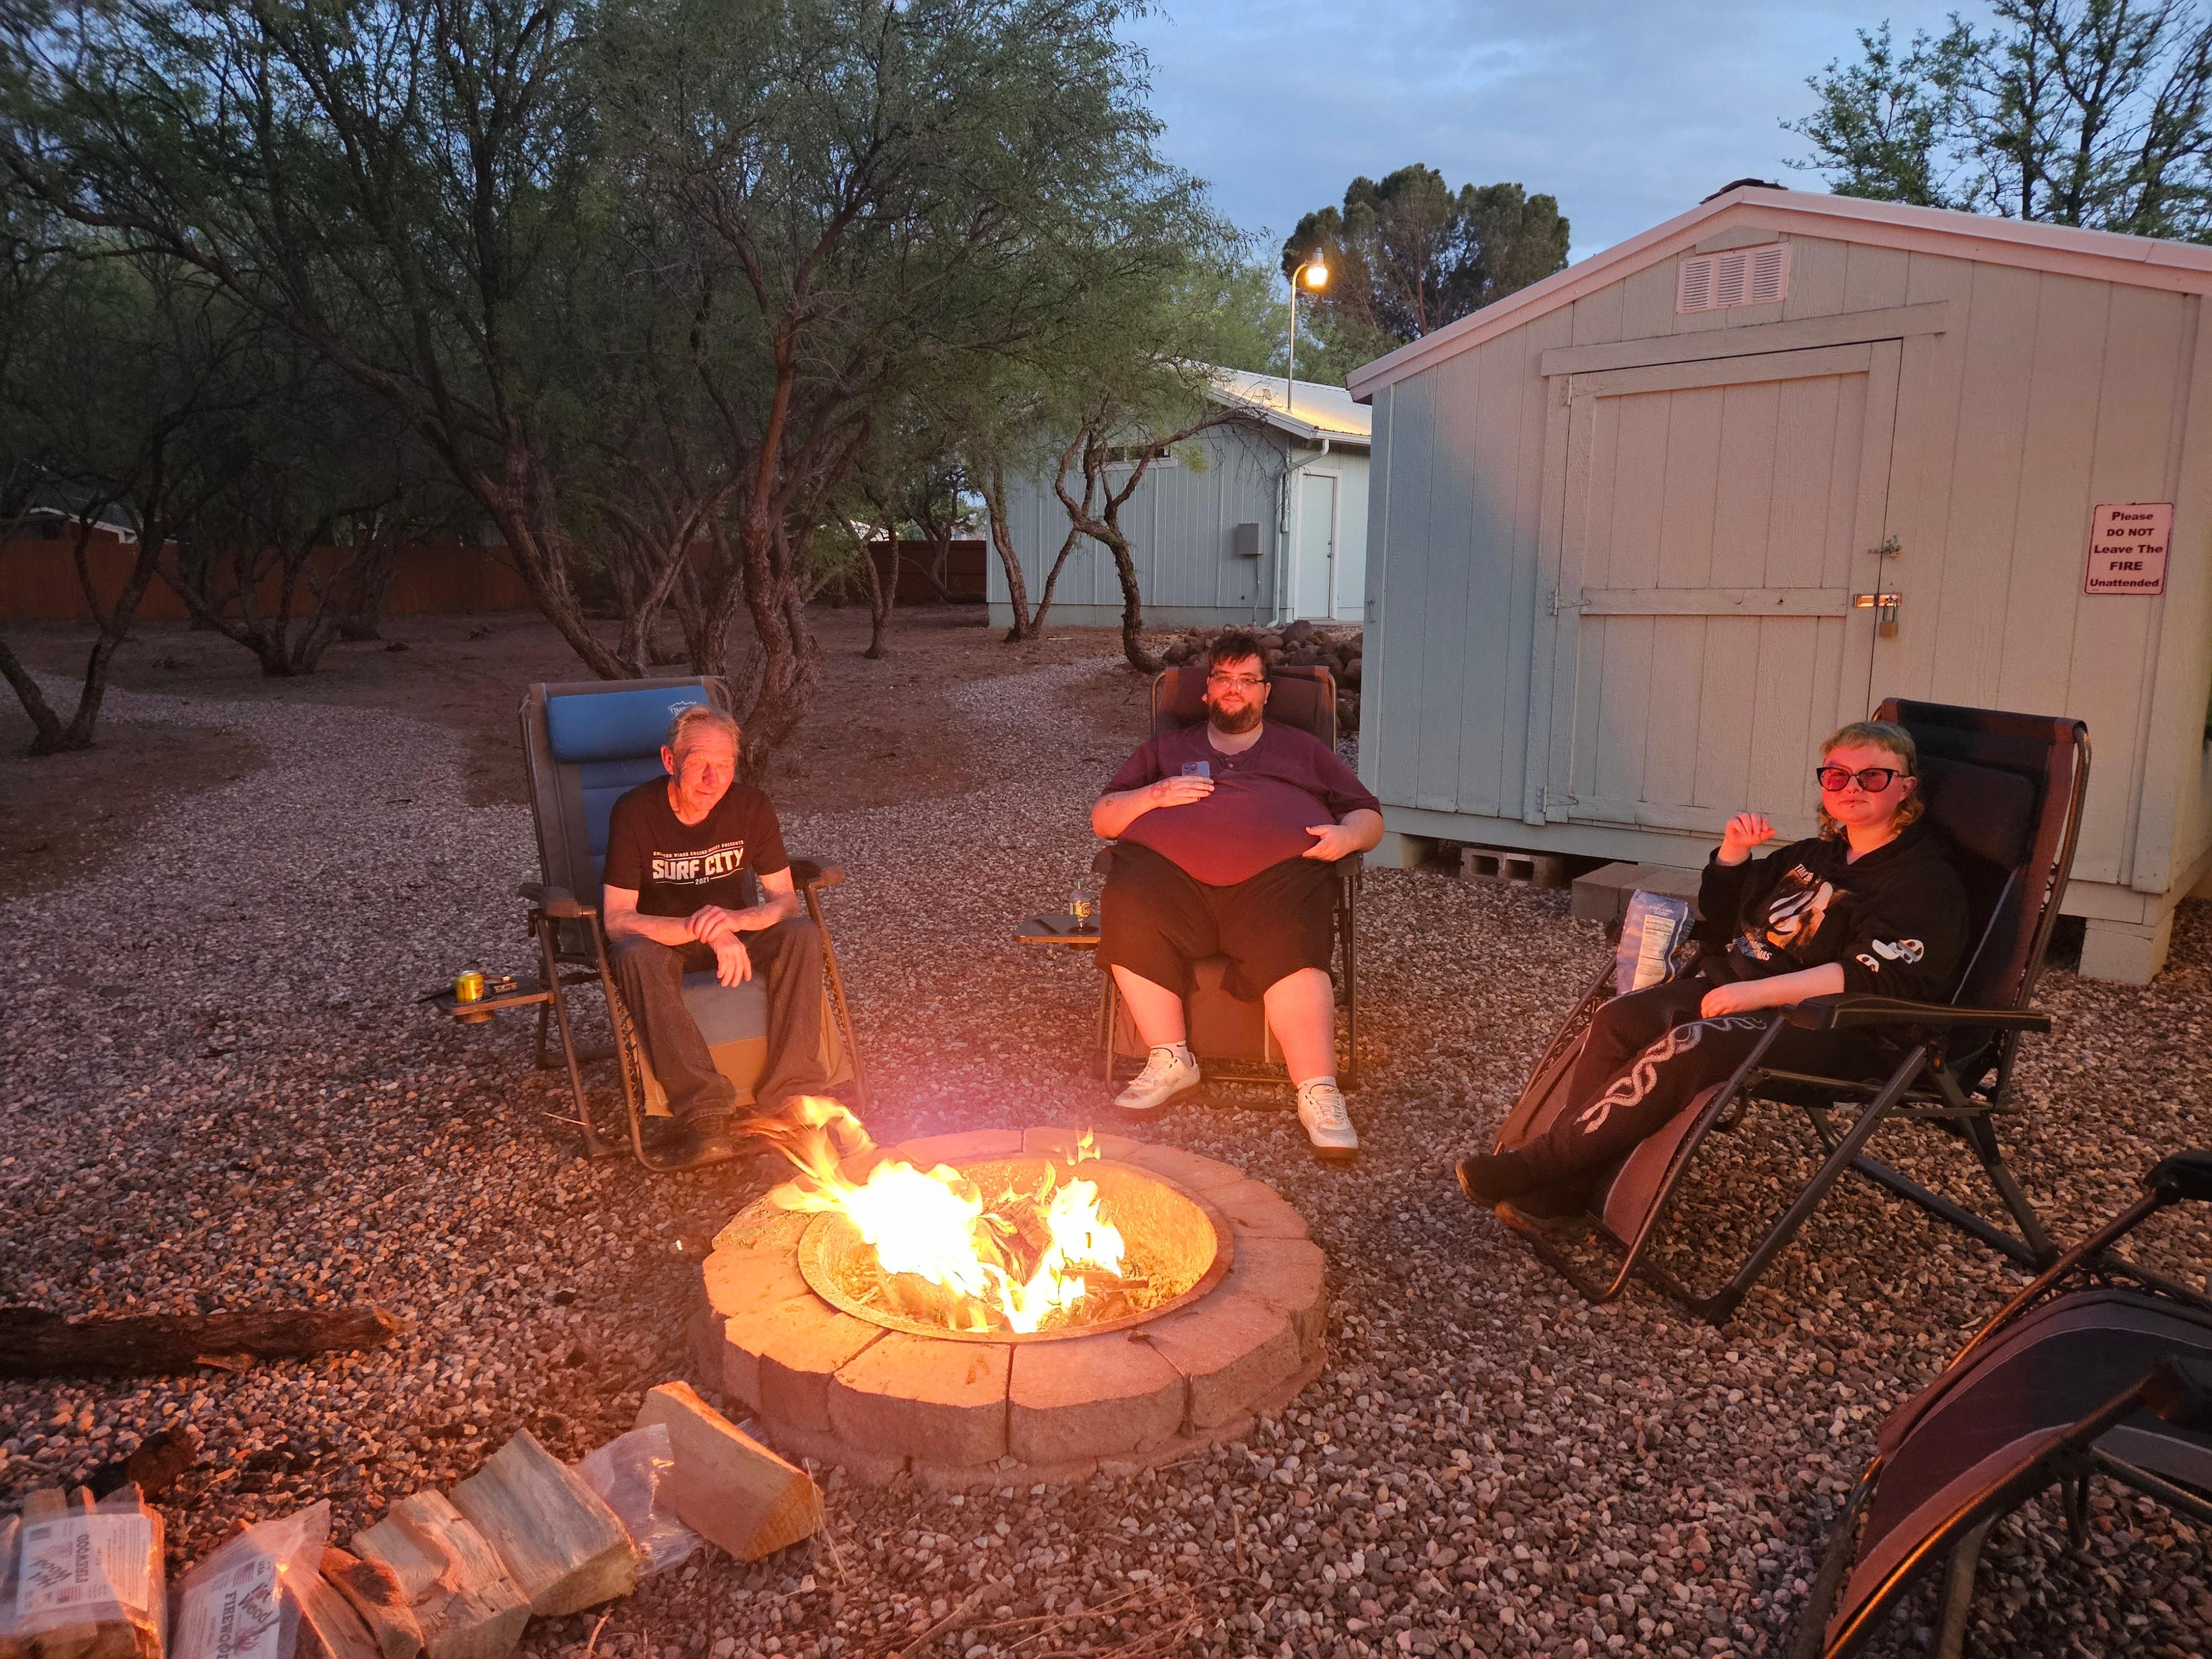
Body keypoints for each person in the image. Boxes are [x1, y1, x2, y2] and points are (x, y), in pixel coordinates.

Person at [1454, 719, 1970, 1228]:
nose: (1852, 787)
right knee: (1617, 1019)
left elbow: (1868, 977)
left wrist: (1754, 993)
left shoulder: (1923, 881)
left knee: (1691, 1045)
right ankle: (1570, 1187)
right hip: (1742, 989)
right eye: (1837, 775)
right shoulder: (1815, 855)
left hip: (1833, 1026)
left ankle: (1537, 1166)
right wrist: (1733, 853)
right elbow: (1724, 916)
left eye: (1873, 777)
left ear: (1906, 788)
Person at [1091, 630, 1384, 1161]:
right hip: (1171, 884)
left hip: (1276, 884)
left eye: (1247, 680)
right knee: (1126, 901)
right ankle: (1171, 1059)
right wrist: (1154, 794)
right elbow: (1103, 819)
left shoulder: (1303, 750)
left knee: (1293, 937)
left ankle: (1317, 1089)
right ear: (1205, 691)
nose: (1235, 689)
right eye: (1223, 678)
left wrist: (1347, 837)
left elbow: (1368, 815)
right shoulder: (1166, 750)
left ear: (1265, 692)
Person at [602, 704, 832, 1171]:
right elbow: (617, 919)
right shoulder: (634, 811)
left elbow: (784, 901)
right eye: (700, 764)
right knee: (632, 956)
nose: (714, 778)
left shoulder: (751, 807)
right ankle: (704, 1111)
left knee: (801, 934)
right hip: (664, 942)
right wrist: (698, 929)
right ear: (670, 761)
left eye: (725, 765)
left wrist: (733, 921)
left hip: (733, 933)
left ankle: (792, 1095)